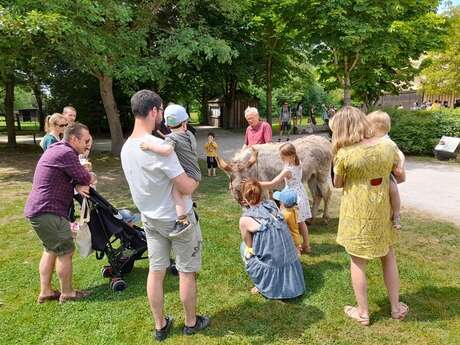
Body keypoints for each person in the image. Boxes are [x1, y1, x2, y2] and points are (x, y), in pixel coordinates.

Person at [120, 90, 209, 342]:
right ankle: (191, 323)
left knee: (156, 271)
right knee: (185, 272)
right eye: (160, 110)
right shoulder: (160, 148)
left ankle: (160, 325)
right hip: (177, 220)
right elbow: (188, 186)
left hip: (150, 219)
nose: (162, 115)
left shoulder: (127, 148)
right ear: (153, 111)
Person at [330, 106, 408, 326]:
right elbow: (399, 175)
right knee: (389, 255)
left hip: (357, 214)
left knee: (358, 261)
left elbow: (338, 183)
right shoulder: (388, 146)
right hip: (382, 211)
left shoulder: (344, 153)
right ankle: (395, 307)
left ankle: (363, 313)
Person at [24, 122, 95, 304]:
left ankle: (46, 291)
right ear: (74, 139)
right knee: (65, 251)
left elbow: (62, 178)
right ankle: (68, 293)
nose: (88, 144)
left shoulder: (56, 149)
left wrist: (76, 182)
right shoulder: (67, 153)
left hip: (38, 210)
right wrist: (84, 175)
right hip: (49, 211)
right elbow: (86, 178)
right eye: (85, 141)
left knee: (50, 249)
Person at [140, 104, 201, 237]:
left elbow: (167, 150)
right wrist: (166, 137)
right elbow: (175, 139)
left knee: (175, 193)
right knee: (183, 193)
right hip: (196, 171)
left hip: (189, 174)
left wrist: (150, 146)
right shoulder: (189, 134)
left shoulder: (171, 139)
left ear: (167, 124)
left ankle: (182, 221)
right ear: (184, 123)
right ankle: (189, 210)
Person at [239, 179, 305, 299]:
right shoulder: (272, 204)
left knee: (243, 247)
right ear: (261, 193)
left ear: (245, 197)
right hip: (290, 258)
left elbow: (249, 245)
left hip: (273, 263)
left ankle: (262, 284)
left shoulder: (245, 219)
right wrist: (256, 183)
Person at [259, 143, 311, 253]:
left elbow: (272, 183)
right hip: (300, 193)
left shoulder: (288, 170)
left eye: (283, 156)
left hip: (291, 196)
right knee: (301, 222)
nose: (281, 158)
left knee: (290, 222)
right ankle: (306, 245)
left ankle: (295, 245)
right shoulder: (298, 162)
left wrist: (256, 183)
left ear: (291, 156)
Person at [367, 110, 405, 229]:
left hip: (385, 174)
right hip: (371, 174)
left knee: (393, 190)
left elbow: (400, 155)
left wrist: (400, 166)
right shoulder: (369, 140)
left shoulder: (388, 142)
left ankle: (396, 215)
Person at [273, 188, 302, 256]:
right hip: (296, 236)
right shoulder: (293, 210)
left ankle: (295, 263)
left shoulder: (285, 214)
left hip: (290, 239)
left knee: (291, 254)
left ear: (282, 202)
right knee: (296, 252)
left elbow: (278, 224)